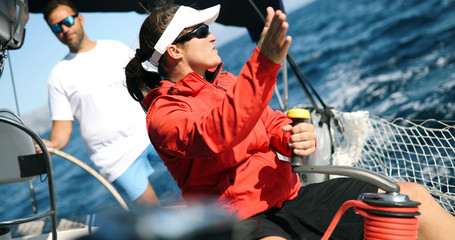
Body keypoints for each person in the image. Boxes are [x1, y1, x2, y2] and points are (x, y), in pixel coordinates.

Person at [124, 3, 455, 240]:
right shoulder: (164, 114)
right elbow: (214, 133)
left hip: (290, 197)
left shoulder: (225, 82)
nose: (213, 37)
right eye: (201, 31)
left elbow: (267, 121)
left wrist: (291, 135)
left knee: (412, 200)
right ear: (174, 51)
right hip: (237, 222)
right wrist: (265, 63)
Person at [40, 0, 182, 207]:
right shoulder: (57, 76)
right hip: (114, 159)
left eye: (68, 20)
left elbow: (147, 88)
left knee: (198, 177)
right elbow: (61, 132)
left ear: (80, 19)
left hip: (150, 135)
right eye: (56, 27)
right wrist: (48, 145)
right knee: (152, 214)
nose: (64, 28)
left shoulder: (115, 48)